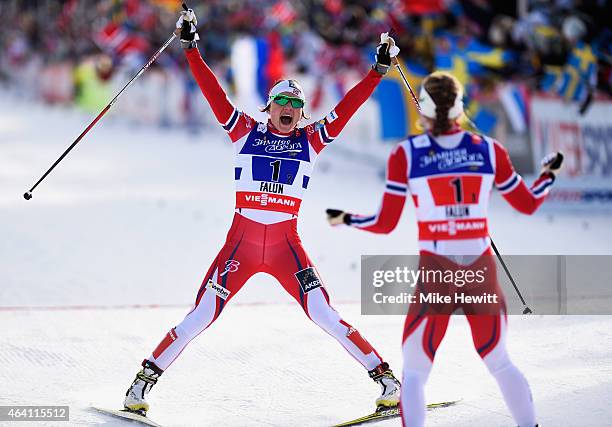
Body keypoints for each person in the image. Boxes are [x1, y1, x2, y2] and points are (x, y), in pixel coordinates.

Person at [123, 8, 402, 416]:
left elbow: (346, 107)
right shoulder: (244, 131)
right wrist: (191, 48)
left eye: (296, 104)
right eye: (281, 102)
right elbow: (214, 94)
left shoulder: (311, 139)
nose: (289, 108)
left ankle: (387, 381)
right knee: (200, 316)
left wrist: (377, 71)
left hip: (287, 247)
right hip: (241, 246)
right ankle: (140, 387)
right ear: (269, 108)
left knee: (325, 314)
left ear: (301, 112)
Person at [326, 71, 563, 427]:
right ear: (459, 109)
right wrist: (547, 175)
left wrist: (347, 219)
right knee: (499, 361)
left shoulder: (407, 153)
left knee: (416, 371)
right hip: (480, 269)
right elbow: (528, 204)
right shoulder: (489, 149)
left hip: (437, 271)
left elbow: (385, 222)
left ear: (423, 110)